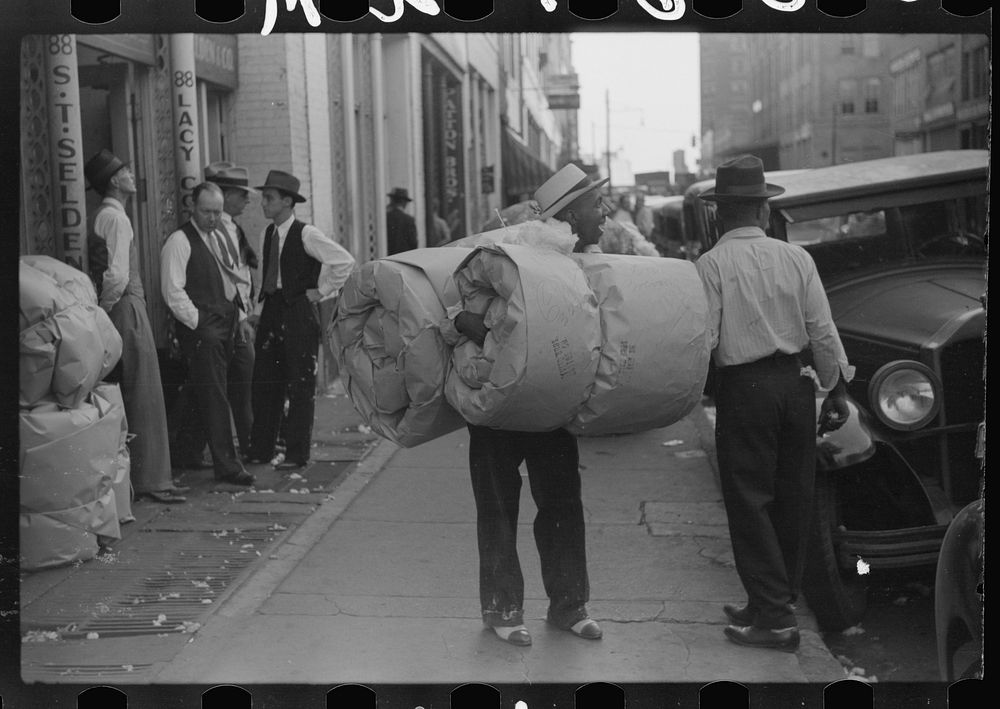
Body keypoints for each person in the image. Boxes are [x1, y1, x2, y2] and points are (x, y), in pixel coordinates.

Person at [694, 155, 853, 652]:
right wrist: (837, 388)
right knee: (791, 498)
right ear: (763, 213)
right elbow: (821, 330)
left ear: (719, 214)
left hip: (745, 390)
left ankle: (776, 619)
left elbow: (707, 338)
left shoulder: (711, 265)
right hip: (795, 385)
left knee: (749, 501)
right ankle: (770, 600)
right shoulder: (797, 259)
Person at [447, 163, 610, 646]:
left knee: (561, 502)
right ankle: (502, 609)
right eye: (593, 204)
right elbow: (466, 316)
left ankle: (569, 605)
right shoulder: (517, 255)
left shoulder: (585, 258)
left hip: (552, 404)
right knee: (498, 505)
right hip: (499, 406)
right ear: (570, 216)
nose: (601, 211)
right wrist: (481, 329)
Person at [84, 149, 186, 504]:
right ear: (114, 180)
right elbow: (117, 274)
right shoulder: (116, 218)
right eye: (125, 170)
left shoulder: (109, 215)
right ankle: (152, 480)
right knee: (144, 390)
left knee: (136, 388)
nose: (131, 174)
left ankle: (149, 478)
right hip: (126, 304)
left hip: (122, 305)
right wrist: (108, 308)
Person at [246, 170, 356, 470]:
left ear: (286, 201)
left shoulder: (307, 234)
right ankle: (262, 449)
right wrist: (257, 313)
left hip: (297, 310)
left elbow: (344, 262)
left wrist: (320, 292)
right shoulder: (266, 233)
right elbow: (264, 277)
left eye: (269, 198)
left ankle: (297, 454)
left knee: (300, 382)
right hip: (271, 310)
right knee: (266, 381)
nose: (263, 204)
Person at [161, 182, 254, 487]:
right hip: (203, 327)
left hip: (224, 321)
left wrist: (238, 315)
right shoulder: (179, 241)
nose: (213, 217)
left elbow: (232, 281)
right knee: (215, 395)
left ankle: (186, 450)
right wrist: (197, 321)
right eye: (206, 211)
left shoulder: (218, 237)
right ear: (192, 207)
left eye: (217, 212)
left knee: (204, 389)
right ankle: (227, 466)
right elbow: (172, 291)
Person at [385, 187, 418, 254]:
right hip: (403, 258)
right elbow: (413, 243)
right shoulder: (409, 220)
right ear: (404, 202)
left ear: (392, 201)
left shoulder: (386, 217)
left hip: (387, 258)